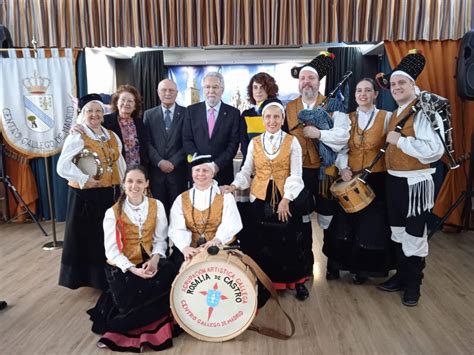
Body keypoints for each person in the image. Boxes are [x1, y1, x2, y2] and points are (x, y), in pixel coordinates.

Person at [222, 99, 313, 301]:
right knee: (261, 242)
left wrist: (286, 199)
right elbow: (247, 171)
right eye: (268, 117)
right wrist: (235, 185)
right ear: (263, 119)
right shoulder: (255, 143)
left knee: (289, 241)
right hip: (260, 197)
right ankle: (264, 281)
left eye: (276, 116)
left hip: (285, 197)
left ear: (282, 119)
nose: (272, 120)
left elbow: (296, 174)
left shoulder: (292, 142)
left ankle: (295, 282)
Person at [375, 49, 445, 306]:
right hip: (394, 180)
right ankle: (401, 277)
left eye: (401, 82)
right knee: (397, 232)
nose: (396, 87)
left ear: (413, 84)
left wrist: (402, 142)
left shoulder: (425, 111)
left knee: (415, 235)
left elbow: (435, 151)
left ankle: (413, 285)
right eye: (393, 84)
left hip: (417, 183)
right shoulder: (395, 113)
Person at [87, 165, 179, 352]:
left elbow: (160, 240)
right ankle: (119, 327)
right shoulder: (112, 213)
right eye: (130, 181)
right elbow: (111, 252)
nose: (134, 186)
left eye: (139, 181)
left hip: (150, 260)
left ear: (146, 184)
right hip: (123, 265)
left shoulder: (157, 206)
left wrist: (154, 261)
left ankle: (131, 321)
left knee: (170, 274)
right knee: (131, 297)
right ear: (123, 184)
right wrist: (134, 269)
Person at [324, 78, 394, 283]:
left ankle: (363, 270)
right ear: (354, 95)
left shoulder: (387, 117)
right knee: (342, 224)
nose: (362, 94)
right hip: (350, 176)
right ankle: (336, 265)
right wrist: (343, 167)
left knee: (371, 226)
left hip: (376, 178)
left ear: (375, 94)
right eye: (359, 90)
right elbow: (340, 147)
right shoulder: (347, 118)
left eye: (367, 90)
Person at [57, 95, 126, 290]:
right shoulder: (77, 135)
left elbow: (120, 162)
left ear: (103, 115)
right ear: (83, 114)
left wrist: (123, 185)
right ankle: (92, 280)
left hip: (109, 194)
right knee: (89, 238)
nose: (94, 115)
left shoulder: (111, 135)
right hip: (85, 197)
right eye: (90, 111)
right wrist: (84, 179)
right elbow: (62, 167)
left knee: (106, 236)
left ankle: (107, 277)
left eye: (98, 111)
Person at [168, 154, 242, 261]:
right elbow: (176, 227)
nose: (200, 174)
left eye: (205, 170)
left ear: (212, 173)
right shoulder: (181, 199)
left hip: (220, 247)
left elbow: (232, 222)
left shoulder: (225, 196)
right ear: (192, 173)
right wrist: (185, 247)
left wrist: (217, 239)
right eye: (197, 170)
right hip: (191, 249)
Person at [182, 72, 240, 185]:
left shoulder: (233, 113)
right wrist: (201, 164)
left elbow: (233, 143)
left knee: (222, 203)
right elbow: (186, 139)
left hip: (222, 173)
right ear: (203, 89)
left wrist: (216, 165)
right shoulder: (191, 111)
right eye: (207, 87)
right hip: (198, 172)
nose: (211, 91)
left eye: (215, 87)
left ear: (222, 90)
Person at [143, 79, 187, 215]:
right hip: (157, 173)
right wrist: (160, 161)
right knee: (158, 213)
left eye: (171, 90)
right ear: (158, 92)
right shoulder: (149, 114)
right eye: (164, 90)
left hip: (178, 173)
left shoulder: (187, 113)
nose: (167, 93)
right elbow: (146, 142)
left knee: (178, 212)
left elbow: (188, 142)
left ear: (176, 93)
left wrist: (173, 162)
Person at [103, 85, 149, 167]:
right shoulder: (105, 121)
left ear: (135, 106)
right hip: (115, 170)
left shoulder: (140, 123)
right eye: (123, 100)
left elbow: (144, 150)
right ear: (117, 102)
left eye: (130, 101)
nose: (126, 103)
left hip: (137, 171)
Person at [240, 72, 279, 161]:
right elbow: (244, 144)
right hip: (250, 166)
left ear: (269, 90)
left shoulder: (279, 114)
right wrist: (252, 164)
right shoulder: (246, 115)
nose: (258, 91)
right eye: (255, 87)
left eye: (262, 87)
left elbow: (282, 142)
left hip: (274, 166)